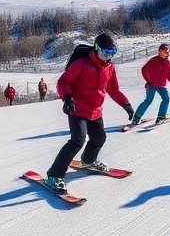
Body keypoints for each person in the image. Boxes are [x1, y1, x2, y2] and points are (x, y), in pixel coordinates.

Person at [43, 33, 134, 194]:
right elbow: (63, 82)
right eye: (106, 52)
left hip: (95, 111)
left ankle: (88, 161)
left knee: (99, 138)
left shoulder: (109, 68)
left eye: (112, 53)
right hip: (77, 108)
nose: (108, 56)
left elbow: (113, 89)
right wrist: (67, 97)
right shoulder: (82, 64)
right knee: (77, 141)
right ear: (97, 48)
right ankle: (54, 175)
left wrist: (126, 104)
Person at [132, 43, 170, 125]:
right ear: (159, 52)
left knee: (166, 98)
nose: (165, 54)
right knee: (148, 100)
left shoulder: (168, 63)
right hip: (151, 85)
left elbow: (169, 74)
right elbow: (144, 70)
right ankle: (136, 118)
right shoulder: (153, 61)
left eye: (166, 52)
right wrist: (148, 80)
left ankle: (161, 116)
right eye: (163, 52)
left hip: (161, 85)